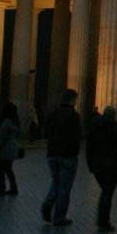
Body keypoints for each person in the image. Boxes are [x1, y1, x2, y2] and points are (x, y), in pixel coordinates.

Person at [86, 105, 117, 232]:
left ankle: (102, 220)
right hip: (111, 166)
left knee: (105, 191)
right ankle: (103, 222)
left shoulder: (94, 126)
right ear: (114, 116)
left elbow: (89, 146)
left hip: (97, 164)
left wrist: (90, 164)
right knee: (107, 192)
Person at [42, 87, 81, 226]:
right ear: (72, 100)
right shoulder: (73, 116)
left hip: (52, 154)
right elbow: (77, 136)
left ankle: (48, 203)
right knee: (65, 187)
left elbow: (46, 133)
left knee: (56, 181)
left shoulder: (52, 113)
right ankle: (59, 217)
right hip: (67, 155)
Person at [0, 100, 21, 196]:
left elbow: (1, 138)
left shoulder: (6, 122)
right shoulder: (15, 122)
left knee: (0, 170)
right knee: (8, 169)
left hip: (4, 149)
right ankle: (13, 188)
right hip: (13, 147)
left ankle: (1, 189)